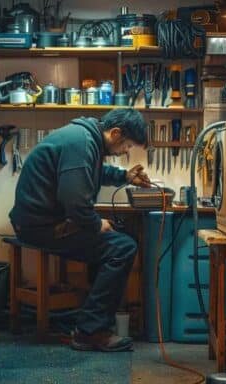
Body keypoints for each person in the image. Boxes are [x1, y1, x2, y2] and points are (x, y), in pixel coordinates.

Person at [9, 108, 151, 352]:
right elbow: (75, 202)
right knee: (123, 247)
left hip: (40, 221)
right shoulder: (82, 143)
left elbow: (93, 173)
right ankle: (91, 331)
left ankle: (90, 322)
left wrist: (125, 176)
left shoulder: (85, 138)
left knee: (113, 242)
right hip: (40, 227)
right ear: (115, 133)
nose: (125, 152)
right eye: (126, 146)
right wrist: (96, 224)